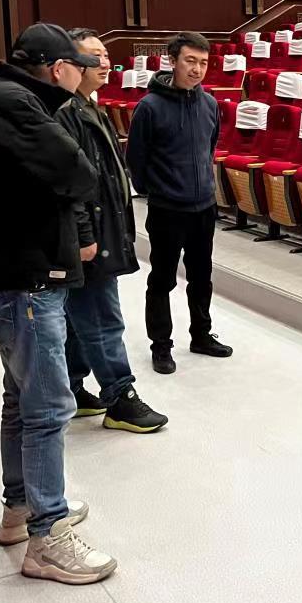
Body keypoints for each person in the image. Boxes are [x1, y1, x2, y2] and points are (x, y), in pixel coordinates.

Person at [0, 22, 118, 584]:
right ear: (59, 68)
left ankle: (20, 509)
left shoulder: (2, 97)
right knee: (47, 408)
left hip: (11, 275)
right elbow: (79, 173)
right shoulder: (16, 104)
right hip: (22, 281)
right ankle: (48, 538)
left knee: (22, 400)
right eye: (79, 67)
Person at [57, 29, 168, 433]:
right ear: (69, 64)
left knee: (78, 315)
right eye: (94, 56)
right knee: (102, 317)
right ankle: (120, 398)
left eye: (105, 55)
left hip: (100, 229)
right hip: (90, 236)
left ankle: (72, 388)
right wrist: (86, 236)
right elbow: (71, 182)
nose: (104, 63)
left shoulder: (89, 106)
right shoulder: (67, 113)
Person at [125, 31, 233, 373]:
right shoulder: (149, 107)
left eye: (203, 62)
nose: (197, 69)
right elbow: (136, 158)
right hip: (167, 209)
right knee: (162, 279)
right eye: (190, 61)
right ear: (172, 61)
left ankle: (201, 335)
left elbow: (209, 147)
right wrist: (157, 189)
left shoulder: (210, 104)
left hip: (203, 207)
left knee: (202, 276)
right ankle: (161, 345)